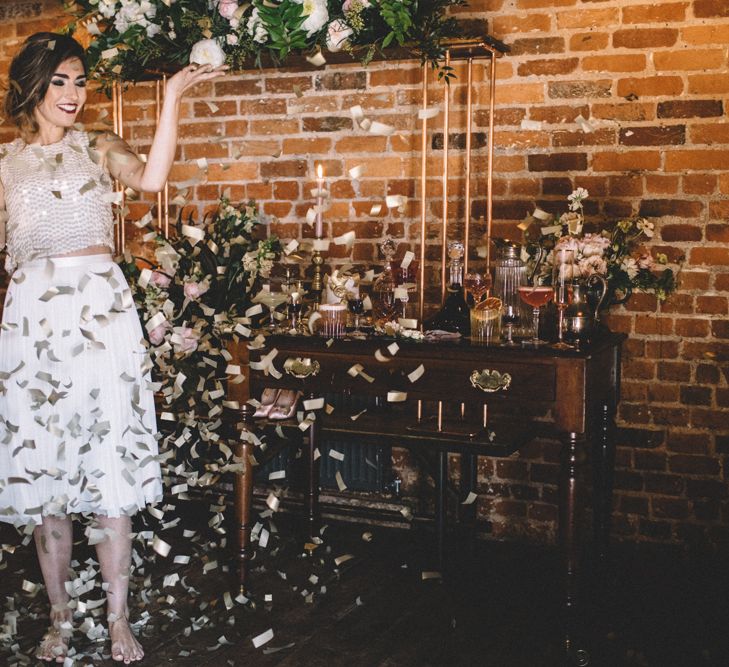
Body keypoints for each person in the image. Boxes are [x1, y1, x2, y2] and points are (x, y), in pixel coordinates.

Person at [0, 32, 225, 663]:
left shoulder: (97, 145)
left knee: (107, 468)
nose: (73, 94)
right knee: (47, 478)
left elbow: (152, 179)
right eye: (60, 82)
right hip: (33, 325)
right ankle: (61, 618)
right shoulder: (4, 165)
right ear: (32, 86)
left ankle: (120, 616)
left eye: (80, 81)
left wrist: (172, 96)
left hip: (100, 313)